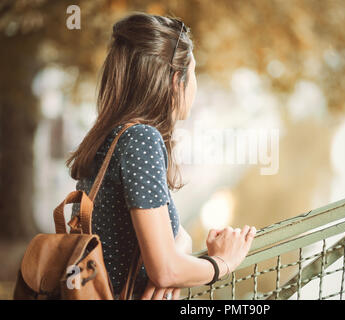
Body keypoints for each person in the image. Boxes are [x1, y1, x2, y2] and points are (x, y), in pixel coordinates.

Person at [66, 12, 256, 300]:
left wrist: (179, 245)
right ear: (176, 80)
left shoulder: (110, 136)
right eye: (194, 73)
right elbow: (164, 270)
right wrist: (222, 263)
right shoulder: (141, 139)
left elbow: (160, 250)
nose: (195, 85)